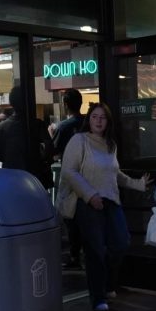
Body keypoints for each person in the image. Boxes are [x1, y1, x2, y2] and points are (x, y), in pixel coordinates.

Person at [61, 102, 151, 311]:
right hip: (87, 203)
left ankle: (109, 283)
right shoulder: (79, 141)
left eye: (102, 117)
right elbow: (69, 172)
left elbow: (115, 174)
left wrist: (137, 184)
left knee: (120, 243)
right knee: (95, 251)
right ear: (89, 120)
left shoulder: (110, 145)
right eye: (95, 117)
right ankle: (98, 296)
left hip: (111, 201)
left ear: (108, 122)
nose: (99, 121)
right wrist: (90, 195)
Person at [0, 85, 54, 189]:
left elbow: (0, 156)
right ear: (28, 101)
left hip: (11, 179)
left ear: (11, 103)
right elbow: (49, 148)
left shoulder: (1, 128)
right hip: (35, 179)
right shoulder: (37, 124)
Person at [51, 89, 85, 267]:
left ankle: (74, 255)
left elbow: (53, 151)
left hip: (70, 177)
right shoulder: (87, 123)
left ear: (65, 104)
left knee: (69, 215)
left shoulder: (63, 127)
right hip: (89, 176)